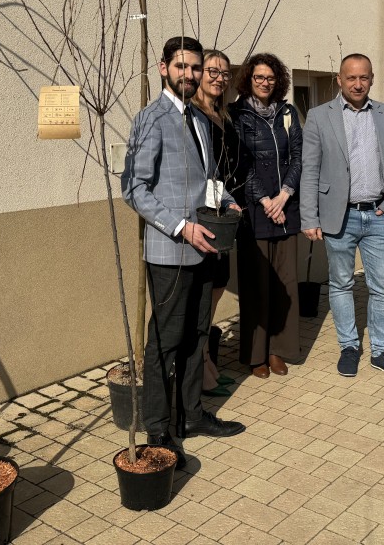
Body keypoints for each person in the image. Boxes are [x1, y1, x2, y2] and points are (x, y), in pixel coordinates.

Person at [121, 36, 246, 467]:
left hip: (204, 245)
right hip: (171, 251)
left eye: (195, 67)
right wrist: (180, 227)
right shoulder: (150, 119)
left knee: (196, 336)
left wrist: (226, 198)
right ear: (163, 68)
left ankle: (191, 415)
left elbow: (206, 178)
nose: (189, 74)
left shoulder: (199, 117)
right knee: (164, 343)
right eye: (181, 66)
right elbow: (134, 188)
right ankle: (158, 428)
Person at [299, 53, 384, 380]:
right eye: (351, 78)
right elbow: (310, 170)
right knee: (341, 284)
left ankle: (381, 352)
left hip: (379, 215)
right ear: (339, 80)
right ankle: (349, 346)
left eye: (364, 77)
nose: (358, 84)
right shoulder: (319, 116)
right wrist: (309, 217)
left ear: (371, 79)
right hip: (339, 216)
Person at [229, 53, 303, 379]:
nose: (264, 82)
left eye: (270, 78)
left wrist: (284, 195)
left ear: (278, 81)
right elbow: (240, 163)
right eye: (259, 77)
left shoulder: (288, 112)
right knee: (256, 285)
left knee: (285, 284)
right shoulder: (237, 114)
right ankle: (255, 353)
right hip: (254, 211)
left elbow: (299, 156)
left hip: (286, 208)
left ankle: (277, 350)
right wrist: (264, 200)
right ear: (249, 79)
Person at [191, 49, 240, 396]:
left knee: (219, 283)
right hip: (204, 212)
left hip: (223, 209)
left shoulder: (222, 114)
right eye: (213, 71)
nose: (219, 78)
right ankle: (202, 366)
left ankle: (206, 358)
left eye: (224, 73)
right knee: (205, 291)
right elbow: (201, 172)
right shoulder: (192, 115)